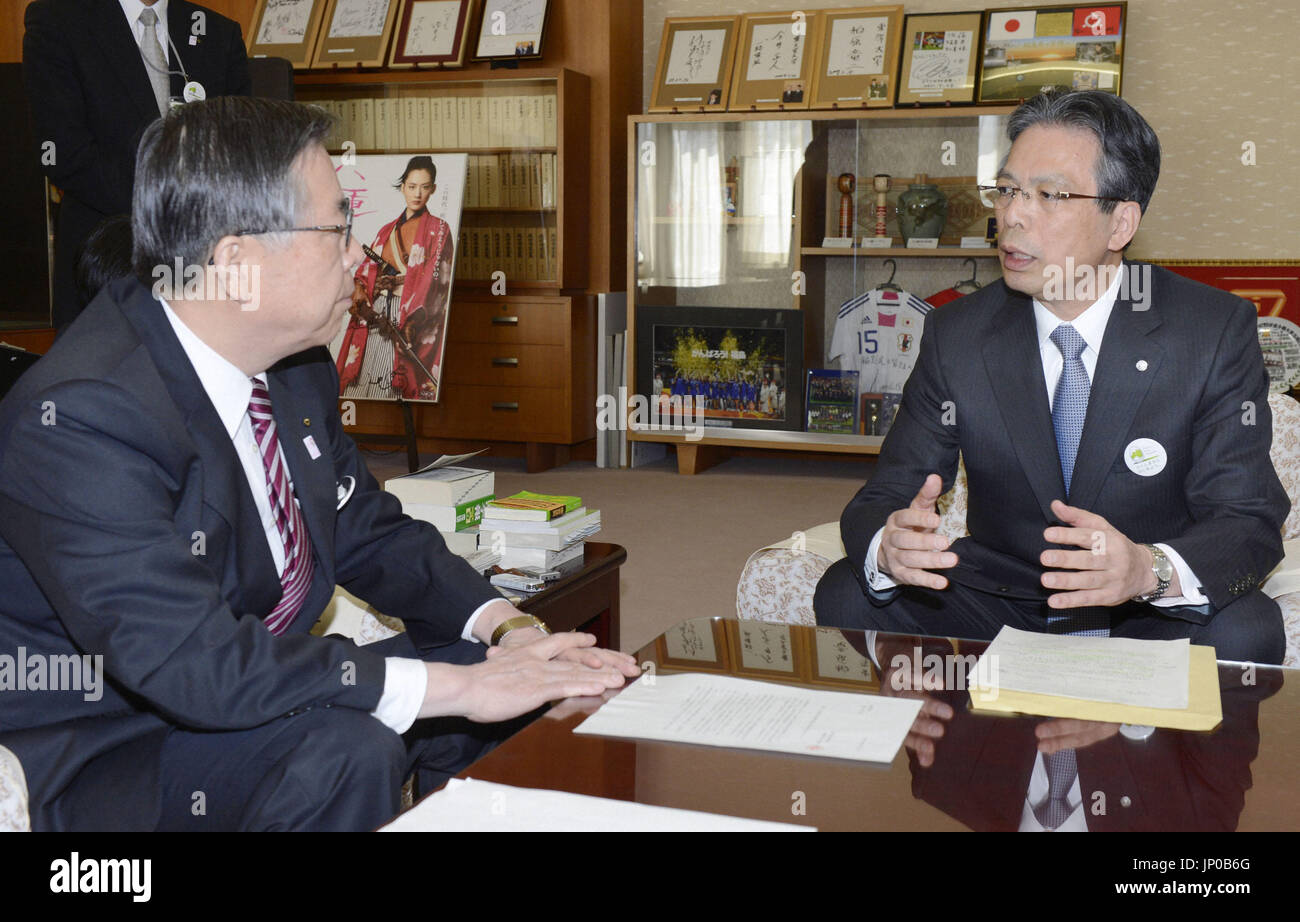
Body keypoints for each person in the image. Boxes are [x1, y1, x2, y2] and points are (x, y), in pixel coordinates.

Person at [0, 97, 638, 832]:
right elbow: (189, 660)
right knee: (348, 747)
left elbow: (363, 528)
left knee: (499, 675)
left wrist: (505, 628)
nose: (360, 255)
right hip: (112, 746)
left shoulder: (294, 365)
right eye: (338, 229)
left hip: (240, 683)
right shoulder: (83, 418)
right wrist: (459, 689)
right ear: (236, 262)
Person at [815, 89, 1288, 665]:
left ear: (1121, 222)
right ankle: (955, 719)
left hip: (1144, 607)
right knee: (849, 589)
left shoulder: (1209, 330)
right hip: (1004, 599)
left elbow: (1246, 517)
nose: (1013, 216)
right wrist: (890, 544)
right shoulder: (957, 333)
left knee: (1246, 630)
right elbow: (887, 492)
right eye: (1008, 189)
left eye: (1050, 195)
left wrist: (1148, 569)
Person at [23, 0, 251, 329]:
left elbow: (239, 151)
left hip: (204, 271)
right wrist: (168, 211)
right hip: (106, 267)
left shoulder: (217, 32)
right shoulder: (58, 21)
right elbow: (63, 153)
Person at [336, 156, 454, 401]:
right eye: (412, 186)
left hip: (410, 316)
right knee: (363, 380)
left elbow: (437, 282)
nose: (418, 193)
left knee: (397, 383)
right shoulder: (386, 230)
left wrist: (413, 321)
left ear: (433, 189)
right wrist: (360, 290)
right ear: (402, 187)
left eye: (424, 187)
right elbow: (365, 272)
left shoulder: (439, 229)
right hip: (376, 312)